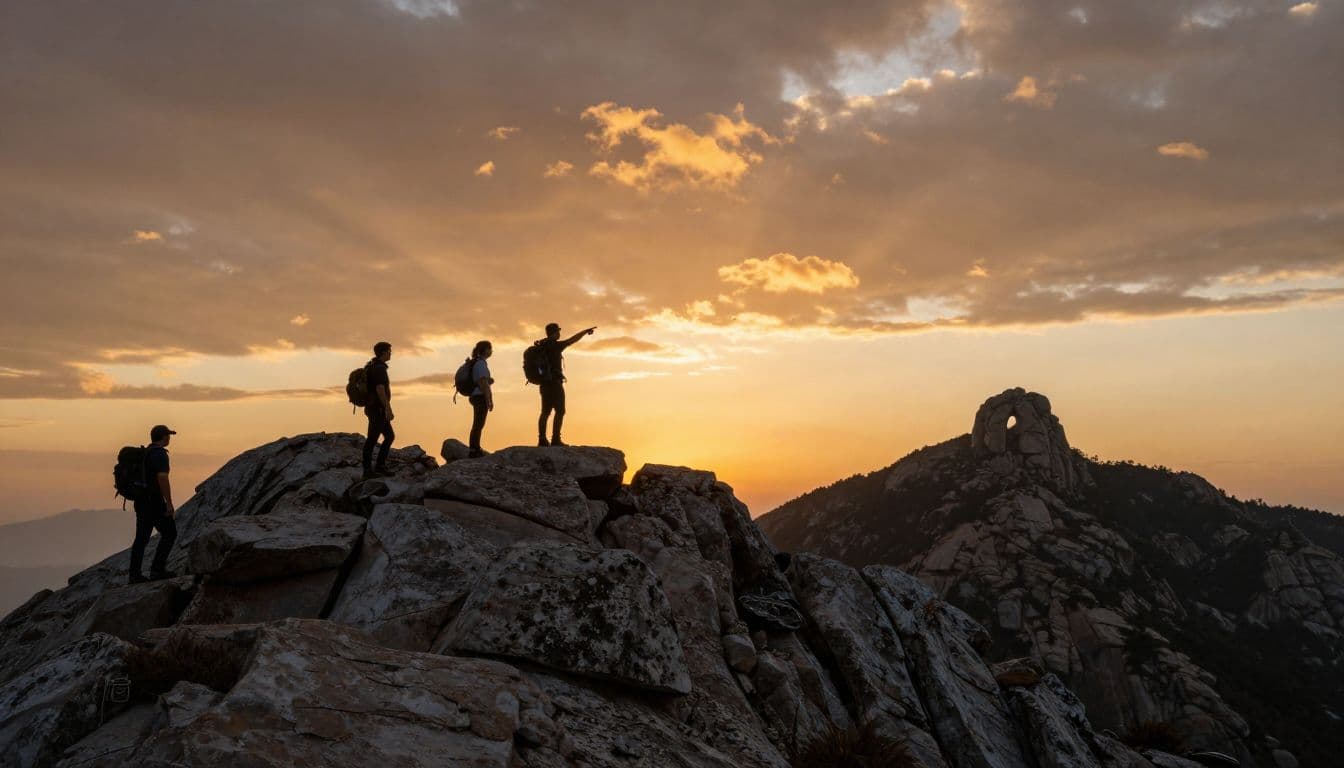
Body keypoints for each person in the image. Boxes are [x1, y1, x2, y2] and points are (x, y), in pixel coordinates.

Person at [129, 424, 178, 584]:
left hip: (141, 502)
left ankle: (134, 575)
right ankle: (157, 570)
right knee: (170, 533)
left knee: (141, 539)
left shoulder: (145, 453)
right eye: (168, 435)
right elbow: (162, 478)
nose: (169, 438)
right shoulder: (160, 455)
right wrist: (169, 503)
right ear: (164, 437)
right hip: (154, 502)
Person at [537, 323, 595, 446]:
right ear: (554, 333)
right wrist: (584, 332)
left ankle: (542, 439)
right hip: (555, 383)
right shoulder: (556, 346)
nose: (559, 334)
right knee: (560, 410)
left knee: (545, 412)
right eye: (558, 331)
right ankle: (556, 439)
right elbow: (572, 340)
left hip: (544, 384)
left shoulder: (541, 345)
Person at [363, 341, 394, 479]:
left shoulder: (372, 366)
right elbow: (380, 389)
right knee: (372, 440)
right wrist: (388, 408)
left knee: (389, 436)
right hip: (378, 410)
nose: (390, 353)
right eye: (389, 351)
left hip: (374, 408)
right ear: (383, 352)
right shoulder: (379, 368)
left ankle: (378, 467)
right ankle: (368, 470)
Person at [467, 340, 494, 458]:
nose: (491, 351)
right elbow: (483, 383)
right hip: (479, 396)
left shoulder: (477, 363)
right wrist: (489, 400)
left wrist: (489, 381)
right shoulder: (481, 364)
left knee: (478, 424)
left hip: (475, 395)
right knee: (478, 424)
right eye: (489, 348)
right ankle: (474, 449)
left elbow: (483, 381)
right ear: (485, 350)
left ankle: (475, 448)